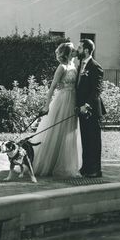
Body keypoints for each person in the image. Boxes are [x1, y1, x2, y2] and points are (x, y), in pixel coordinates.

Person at [32, 42, 82, 178]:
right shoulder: (62, 67)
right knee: (57, 131)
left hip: (73, 100)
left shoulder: (74, 65)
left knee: (69, 132)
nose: (75, 52)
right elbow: (52, 86)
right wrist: (46, 105)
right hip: (63, 100)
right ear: (67, 53)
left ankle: (66, 164)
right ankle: (48, 163)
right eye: (72, 50)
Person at [75, 39, 106, 178]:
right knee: (85, 140)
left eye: (80, 47)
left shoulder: (95, 67)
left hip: (92, 110)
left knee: (94, 140)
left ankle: (95, 170)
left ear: (86, 50)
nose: (78, 49)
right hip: (81, 110)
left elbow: (96, 90)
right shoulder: (80, 65)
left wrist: (86, 105)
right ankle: (86, 168)